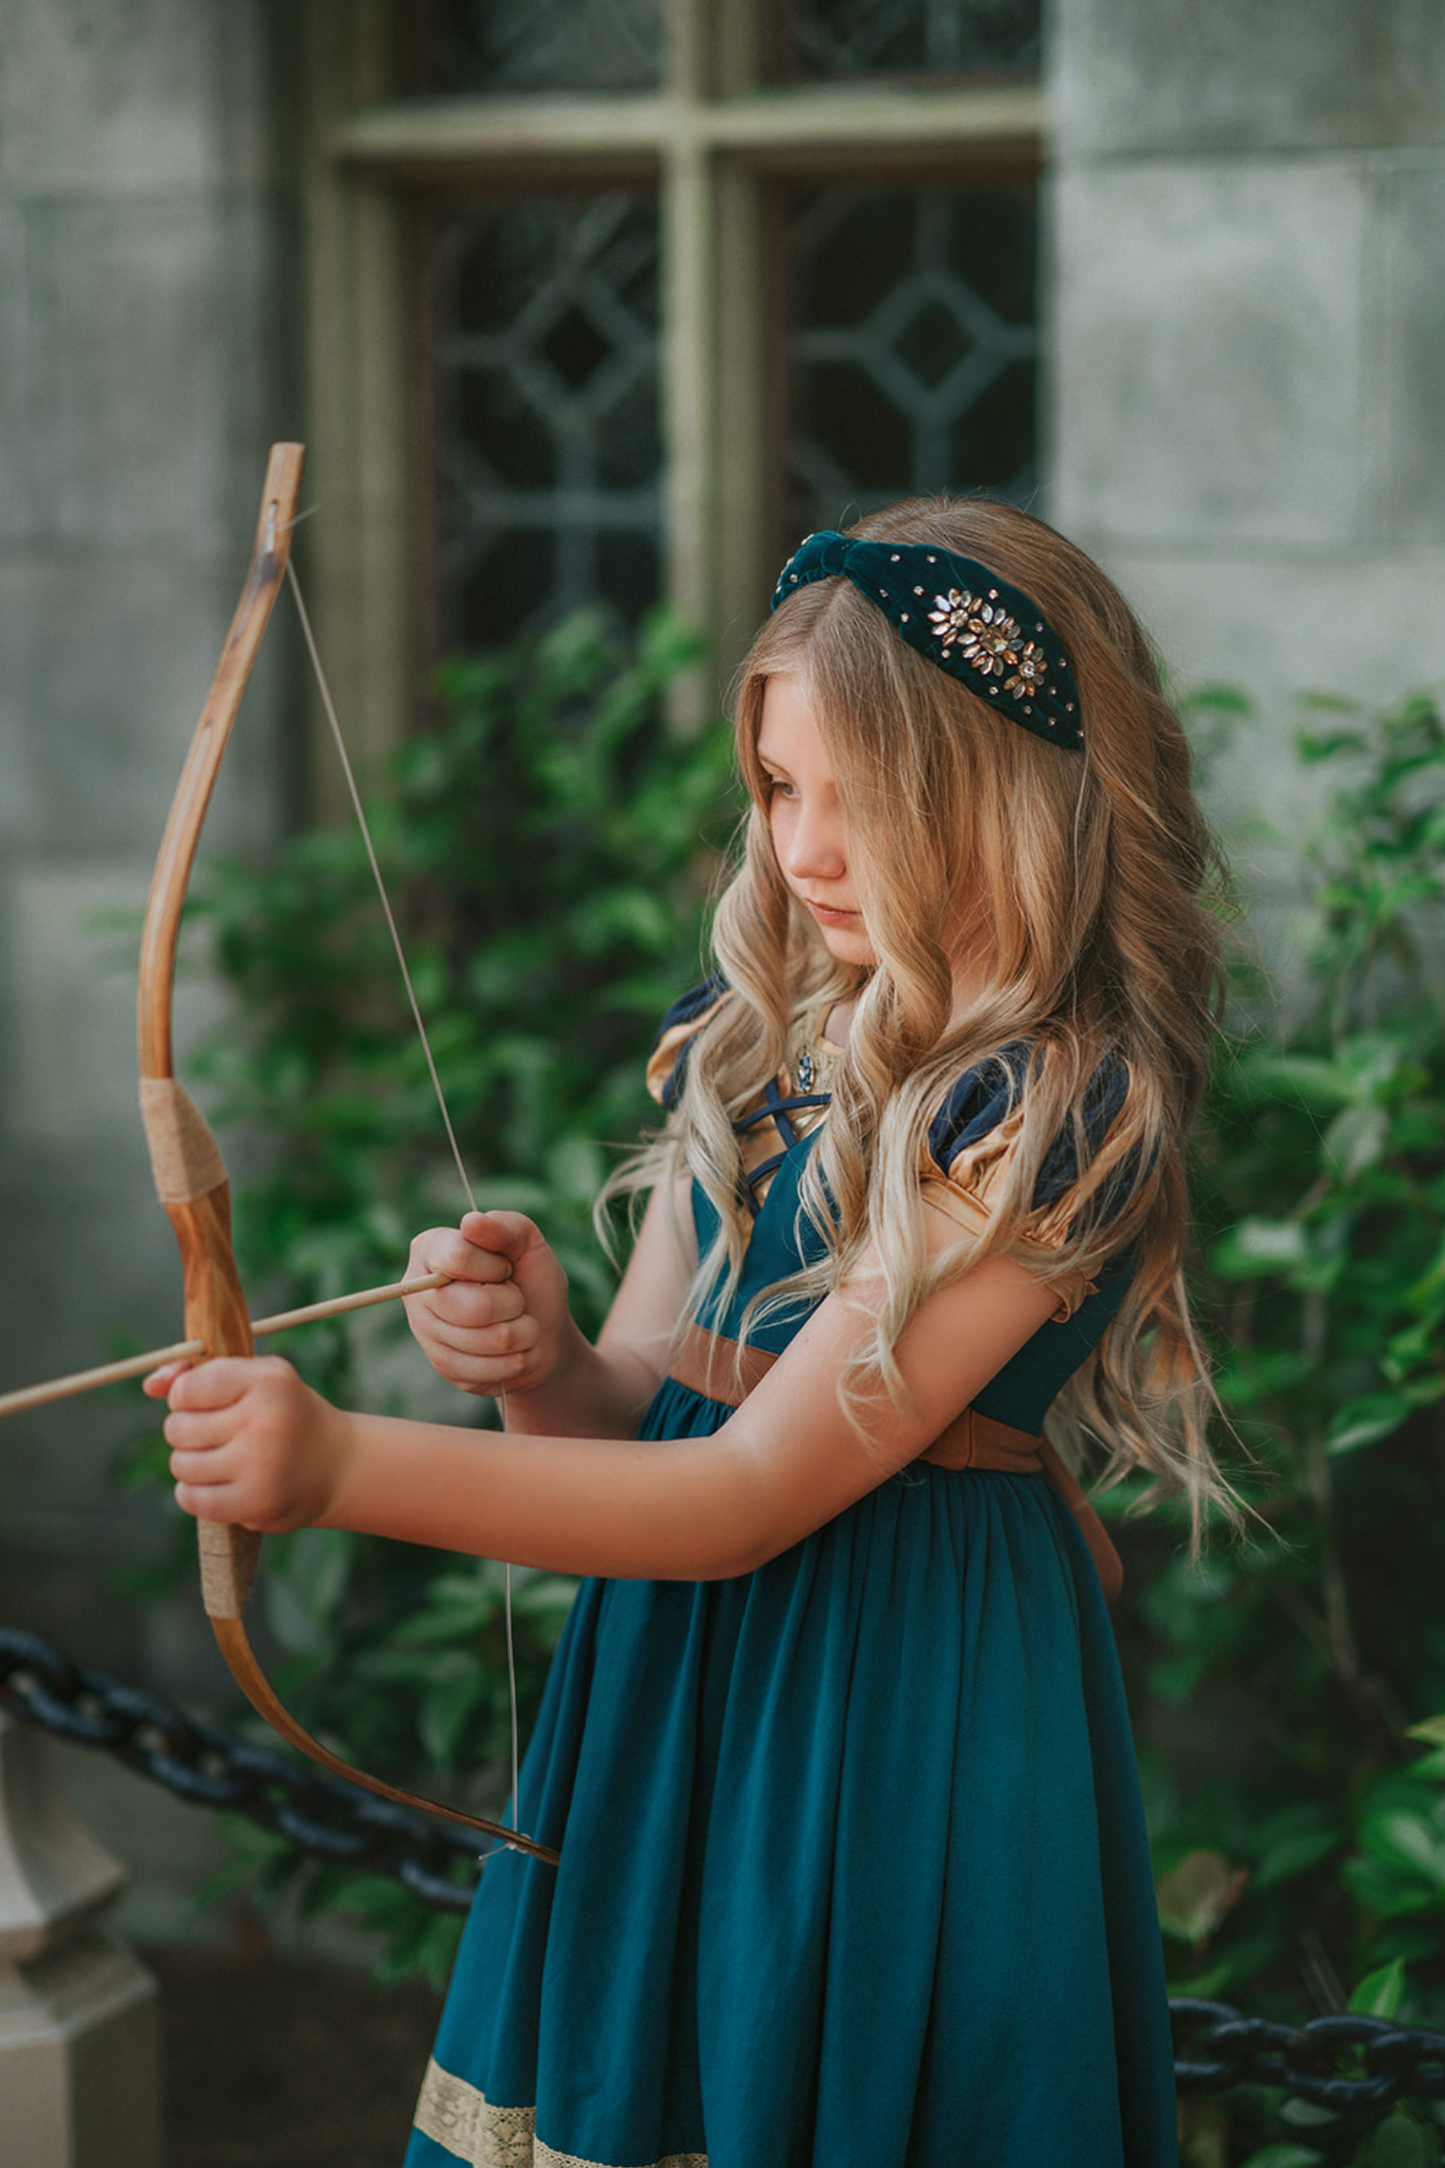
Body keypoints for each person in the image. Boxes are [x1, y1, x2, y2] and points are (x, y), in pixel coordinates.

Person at [152, 498, 1231, 2168]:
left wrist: (337, 1465)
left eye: (864, 805)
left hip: (892, 1708)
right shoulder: (753, 1035)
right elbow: (640, 1427)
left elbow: (738, 1499)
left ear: (1010, 804)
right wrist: (541, 1361)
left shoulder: (1050, 1106)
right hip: (684, 1680)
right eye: (782, 789)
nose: (801, 851)